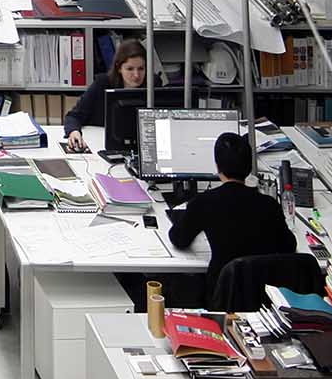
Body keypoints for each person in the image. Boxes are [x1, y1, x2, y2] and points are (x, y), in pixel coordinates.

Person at [165, 132, 297, 296]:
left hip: (223, 294)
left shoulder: (204, 202)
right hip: (263, 296)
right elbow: (289, 246)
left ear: (217, 166)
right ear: (249, 167)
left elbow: (179, 239)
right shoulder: (269, 204)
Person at [62, 38, 153, 151]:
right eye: (130, 69)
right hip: (99, 145)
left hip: (141, 148)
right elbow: (73, 116)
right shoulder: (102, 83)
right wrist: (74, 132)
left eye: (141, 69)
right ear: (119, 68)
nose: (136, 75)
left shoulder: (154, 87)